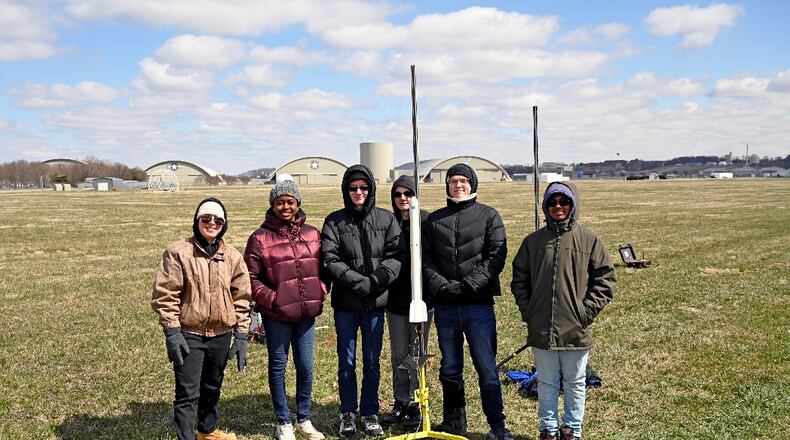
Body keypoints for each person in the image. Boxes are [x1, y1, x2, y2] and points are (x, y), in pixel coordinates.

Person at [511, 182, 616, 440]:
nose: (558, 207)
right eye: (552, 202)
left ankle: (572, 430)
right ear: (545, 207)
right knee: (546, 383)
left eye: (564, 201)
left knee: (574, 382)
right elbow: (519, 279)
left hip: (575, 328)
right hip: (541, 327)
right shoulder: (532, 242)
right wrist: (530, 312)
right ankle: (548, 429)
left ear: (573, 205)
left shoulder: (589, 241)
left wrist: (585, 313)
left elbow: (605, 280)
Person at [422, 164, 513, 440]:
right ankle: (453, 422)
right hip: (447, 307)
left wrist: (470, 285)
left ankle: (497, 426)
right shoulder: (434, 220)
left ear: (472, 184)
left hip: (478, 306)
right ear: (446, 185)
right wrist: (443, 286)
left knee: (486, 366)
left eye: (463, 180)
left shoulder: (489, 216)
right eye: (453, 181)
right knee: (450, 366)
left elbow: (496, 255)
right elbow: (425, 258)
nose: (458, 185)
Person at [152, 198, 251, 440]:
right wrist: (172, 331)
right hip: (190, 334)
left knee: (212, 387)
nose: (211, 223)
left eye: (218, 220)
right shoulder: (178, 252)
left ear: (224, 224)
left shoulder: (233, 256)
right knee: (188, 393)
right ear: (197, 221)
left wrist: (241, 335)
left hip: (221, 334)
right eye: (205, 218)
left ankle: (207, 431)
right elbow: (166, 294)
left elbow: (242, 297)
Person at [321, 165, 402, 437]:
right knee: (346, 361)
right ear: (346, 190)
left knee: (372, 360)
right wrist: (359, 283)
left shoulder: (386, 220)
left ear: (371, 190)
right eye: (353, 188)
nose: (358, 192)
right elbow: (330, 259)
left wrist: (375, 281)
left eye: (363, 188)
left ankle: (369, 412)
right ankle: (347, 412)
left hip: (376, 305)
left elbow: (395, 257)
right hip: (346, 305)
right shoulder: (334, 221)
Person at [244, 180, 328, 440]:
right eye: (280, 202)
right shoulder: (259, 238)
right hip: (277, 316)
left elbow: (326, 268)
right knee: (278, 366)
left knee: (305, 366)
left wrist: (320, 290)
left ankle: (304, 418)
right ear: (272, 205)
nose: (285, 207)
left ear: (298, 204)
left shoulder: (313, 234)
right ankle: (283, 421)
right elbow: (250, 277)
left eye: (290, 201)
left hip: (306, 315)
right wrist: (273, 299)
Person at [380, 175, 431, 430]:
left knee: (418, 353)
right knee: (400, 354)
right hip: (396, 302)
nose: (403, 199)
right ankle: (402, 401)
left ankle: (419, 403)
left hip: (422, 300)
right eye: (398, 194)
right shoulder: (387, 223)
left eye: (408, 194)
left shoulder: (426, 221)